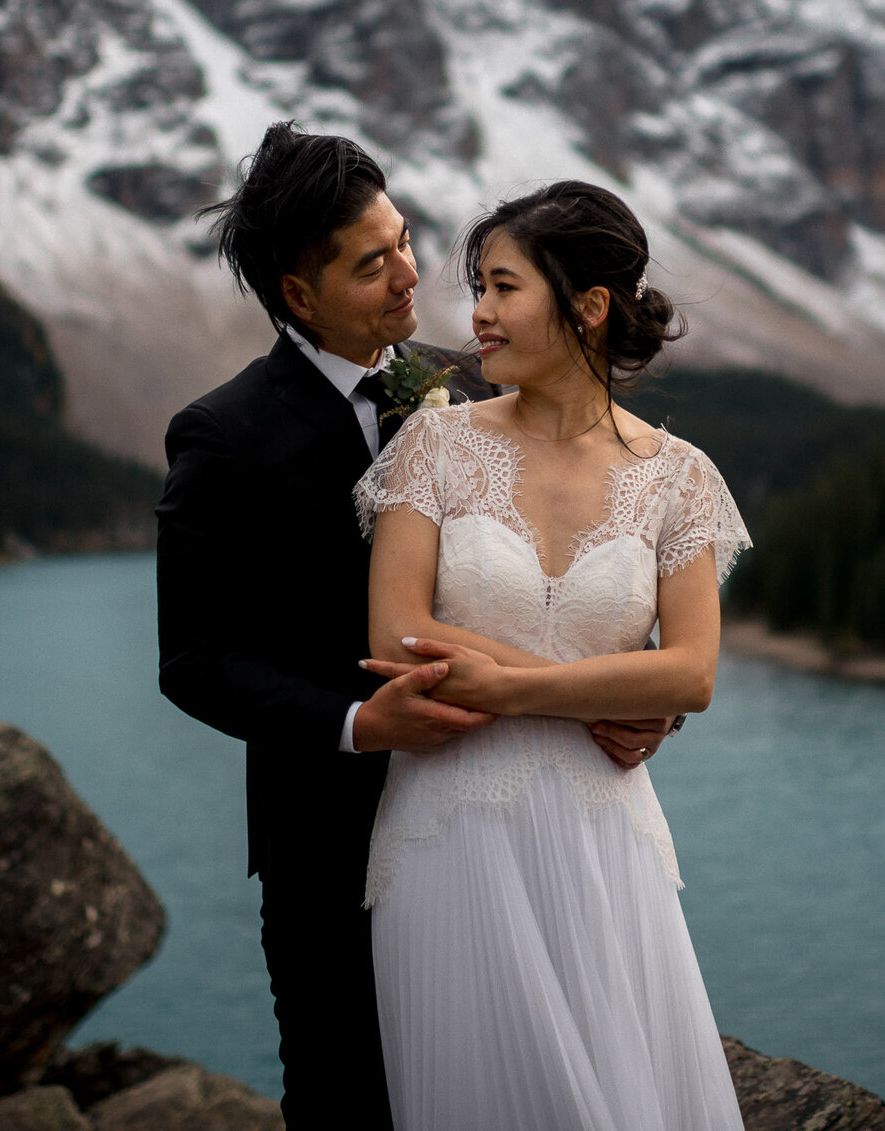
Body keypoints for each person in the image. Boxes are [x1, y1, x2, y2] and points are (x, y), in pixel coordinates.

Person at [155, 125, 677, 1130]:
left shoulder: (478, 383)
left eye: (402, 240)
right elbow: (194, 660)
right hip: (332, 847)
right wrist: (361, 723)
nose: (408, 275)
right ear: (297, 294)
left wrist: (637, 700)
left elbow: (566, 583)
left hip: (513, 821)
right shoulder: (224, 436)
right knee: (352, 1097)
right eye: (370, 263)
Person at [356, 179, 750, 1131]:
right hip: (450, 834)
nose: (477, 315)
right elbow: (397, 634)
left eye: (502, 287)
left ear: (588, 306)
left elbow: (691, 671)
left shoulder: (678, 476)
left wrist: (512, 685)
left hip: (605, 839)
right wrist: (595, 694)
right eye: (479, 288)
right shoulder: (433, 445)